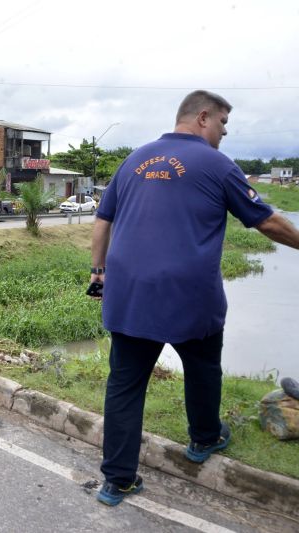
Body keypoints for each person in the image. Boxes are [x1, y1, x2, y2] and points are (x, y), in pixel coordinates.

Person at [90, 90, 299, 507]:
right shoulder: (217, 164)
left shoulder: (135, 159)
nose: (224, 132)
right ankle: (204, 438)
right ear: (203, 117)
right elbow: (269, 222)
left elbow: (102, 219)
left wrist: (99, 273)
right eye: (223, 123)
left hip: (128, 293)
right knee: (203, 369)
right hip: (189, 295)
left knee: (125, 385)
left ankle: (117, 481)